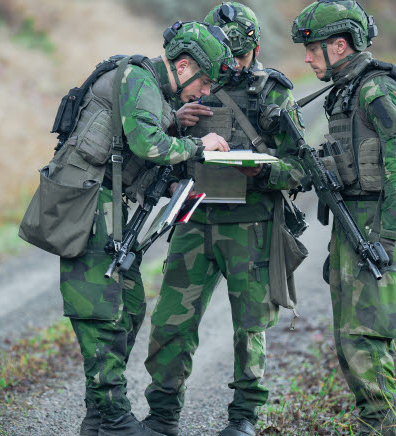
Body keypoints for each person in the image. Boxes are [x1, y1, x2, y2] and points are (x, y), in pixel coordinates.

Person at [52, 21, 237, 436]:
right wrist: (198, 145)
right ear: (184, 64)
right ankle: (114, 420)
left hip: (105, 206)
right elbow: (148, 146)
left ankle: (98, 418)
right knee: (103, 313)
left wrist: (172, 184)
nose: (205, 91)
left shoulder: (152, 90)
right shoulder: (138, 78)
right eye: (204, 81)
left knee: (131, 306)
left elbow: (126, 156)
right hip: (86, 206)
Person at [142, 4, 308, 436]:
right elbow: (156, 142)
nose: (226, 66)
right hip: (193, 217)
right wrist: (178, 123)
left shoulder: (274, 93)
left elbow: (301, 168)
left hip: (250, 225)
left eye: (235, 57)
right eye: (218, 57)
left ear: (253, 48)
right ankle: (161, 416)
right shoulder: (190, 84)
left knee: (249, 326)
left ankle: (244, 420)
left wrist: (264, 170)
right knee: (170, 323)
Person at [289, 1, 396, 434]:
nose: (307, 58)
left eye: (313, 48)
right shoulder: (346, 89)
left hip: (373, 226)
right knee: (350, 336)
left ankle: (384, 426)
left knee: (368, 334)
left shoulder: (375, 89)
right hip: (353, 224)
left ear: (339, 45)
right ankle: (374, 423)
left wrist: (387, 237)